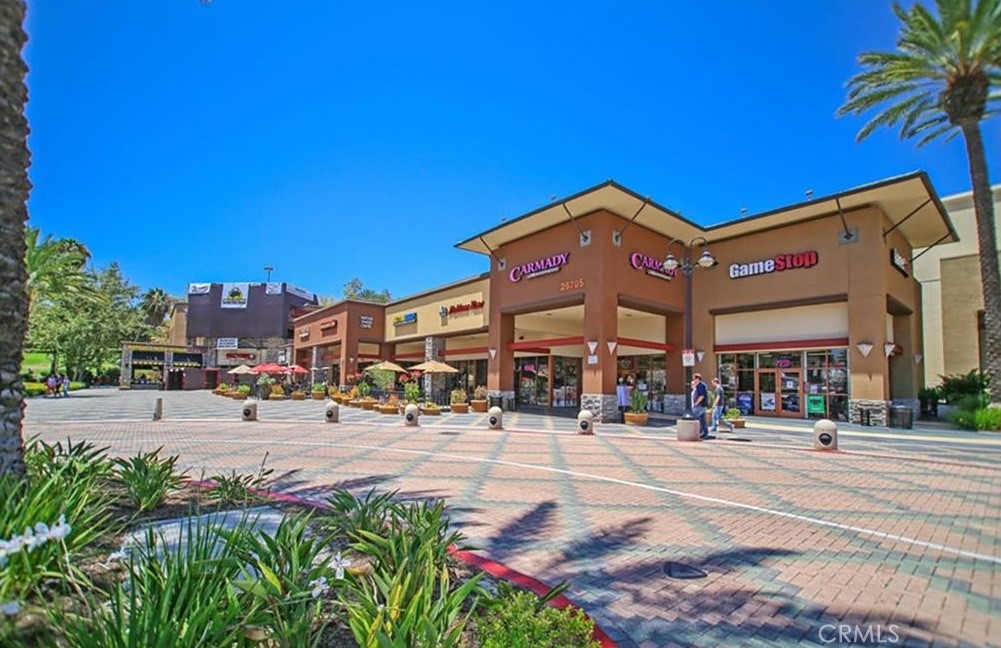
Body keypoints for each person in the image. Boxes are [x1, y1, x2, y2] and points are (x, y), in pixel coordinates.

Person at [691, 373, 709, 439]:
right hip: (701, 405)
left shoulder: (701, 386)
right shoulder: (699, 385)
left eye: (694, 379)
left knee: (695, 418)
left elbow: (702, 396)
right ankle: (704, 432)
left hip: (700, 405)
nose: (694, 380)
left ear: (698, 379)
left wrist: (696, 403)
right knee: (702, 419)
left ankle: (700, 432)